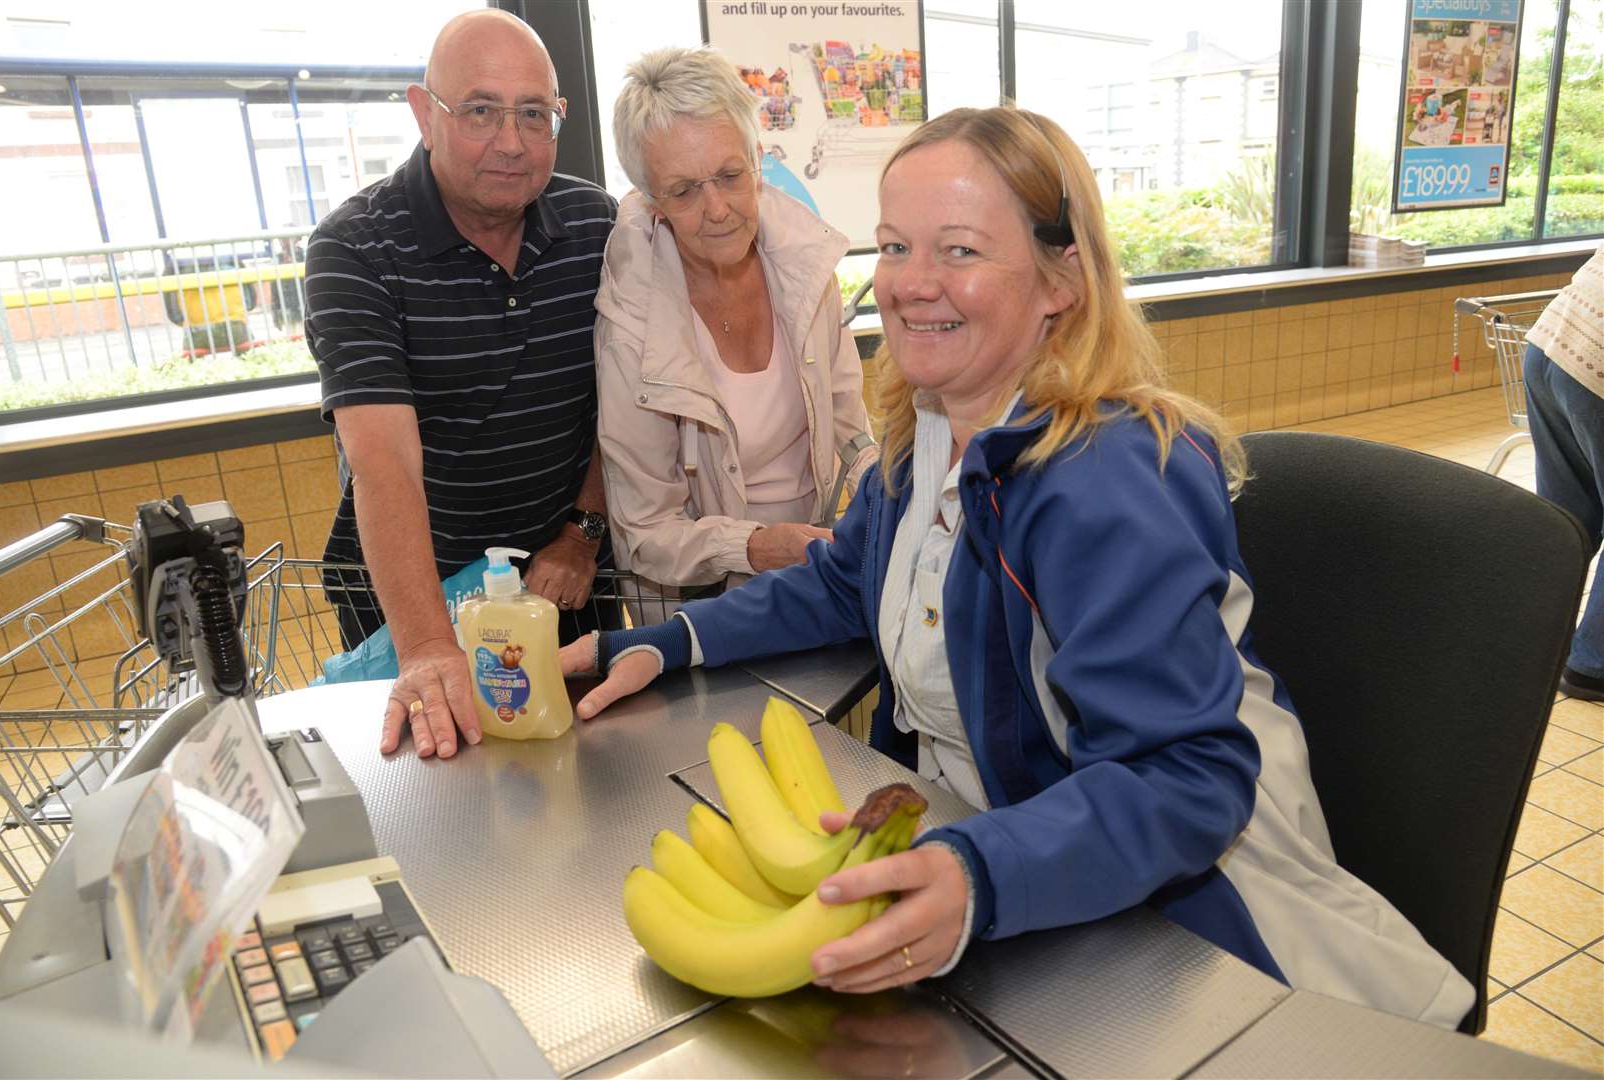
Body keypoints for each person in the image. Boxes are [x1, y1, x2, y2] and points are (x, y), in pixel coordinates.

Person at [563, 106, 1474, 1027]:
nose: (911, 284)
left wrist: (977, 872)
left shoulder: (1107, 479)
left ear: (1060, 279)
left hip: (1192, 928)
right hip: (1009, 860)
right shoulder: (925, 432)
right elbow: (851, 578)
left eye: (959, 251)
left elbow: (1187, 777)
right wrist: (673, 640)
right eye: (894, 246)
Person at [304, 9, 616, 761]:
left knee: (569, 771)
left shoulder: (599, 227)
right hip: (410, 599)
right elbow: (383, 461)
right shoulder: (355, 250)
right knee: (436, 788)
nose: (511, 141)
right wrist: (426, 647)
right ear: (424, 113)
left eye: (534, 114)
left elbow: (626, 407)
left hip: (556, 581)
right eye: (480, 110)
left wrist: (584, 531)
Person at [595, 47, 873, 610]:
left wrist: (893, 493)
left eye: (729, 175)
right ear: (652, 204)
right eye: (684, 190)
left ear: (758, 159)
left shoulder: (808, 268)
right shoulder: (632, 327)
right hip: (698, 604)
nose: (717, 208)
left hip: (817, 575)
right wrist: (757, 547)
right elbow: (645, 530)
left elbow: (851, 431)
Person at [1523, 245, 1604, 701]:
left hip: (1550, 347)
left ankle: (1533, 643)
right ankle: (1593, 665)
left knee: (1565, 520)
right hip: (1598, 376)